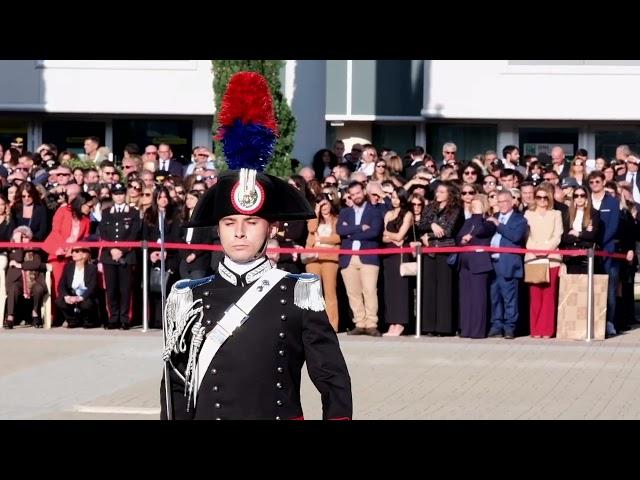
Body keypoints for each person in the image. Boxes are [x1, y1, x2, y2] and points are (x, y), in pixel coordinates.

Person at [160, 72, 352, 420]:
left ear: (271, 227)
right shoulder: (189, 295)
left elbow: (331, 375)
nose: (240, 233)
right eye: (229, 223)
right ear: (217, 230)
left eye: (251, 223)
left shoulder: (298, 291)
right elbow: (175, 387)